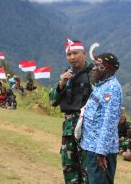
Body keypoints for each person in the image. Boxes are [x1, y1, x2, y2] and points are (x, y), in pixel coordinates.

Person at [49, 39, 94, 184]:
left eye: (75, 53)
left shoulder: (93, 75)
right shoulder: (66, 75)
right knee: (69, 169)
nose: (72, 57)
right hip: (68, 129)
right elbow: (52, 101)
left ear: (84, 54)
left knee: (87, 169)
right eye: (69, 54)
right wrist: (61, 83)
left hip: (87, 128)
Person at [80, 52, 122, 184]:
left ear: (106, 68)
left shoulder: (112, 89)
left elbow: (109, 122)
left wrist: (101, 152)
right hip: (91, 147)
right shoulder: (101, 86)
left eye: (97, 65)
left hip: (100, 151)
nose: (93, 68)